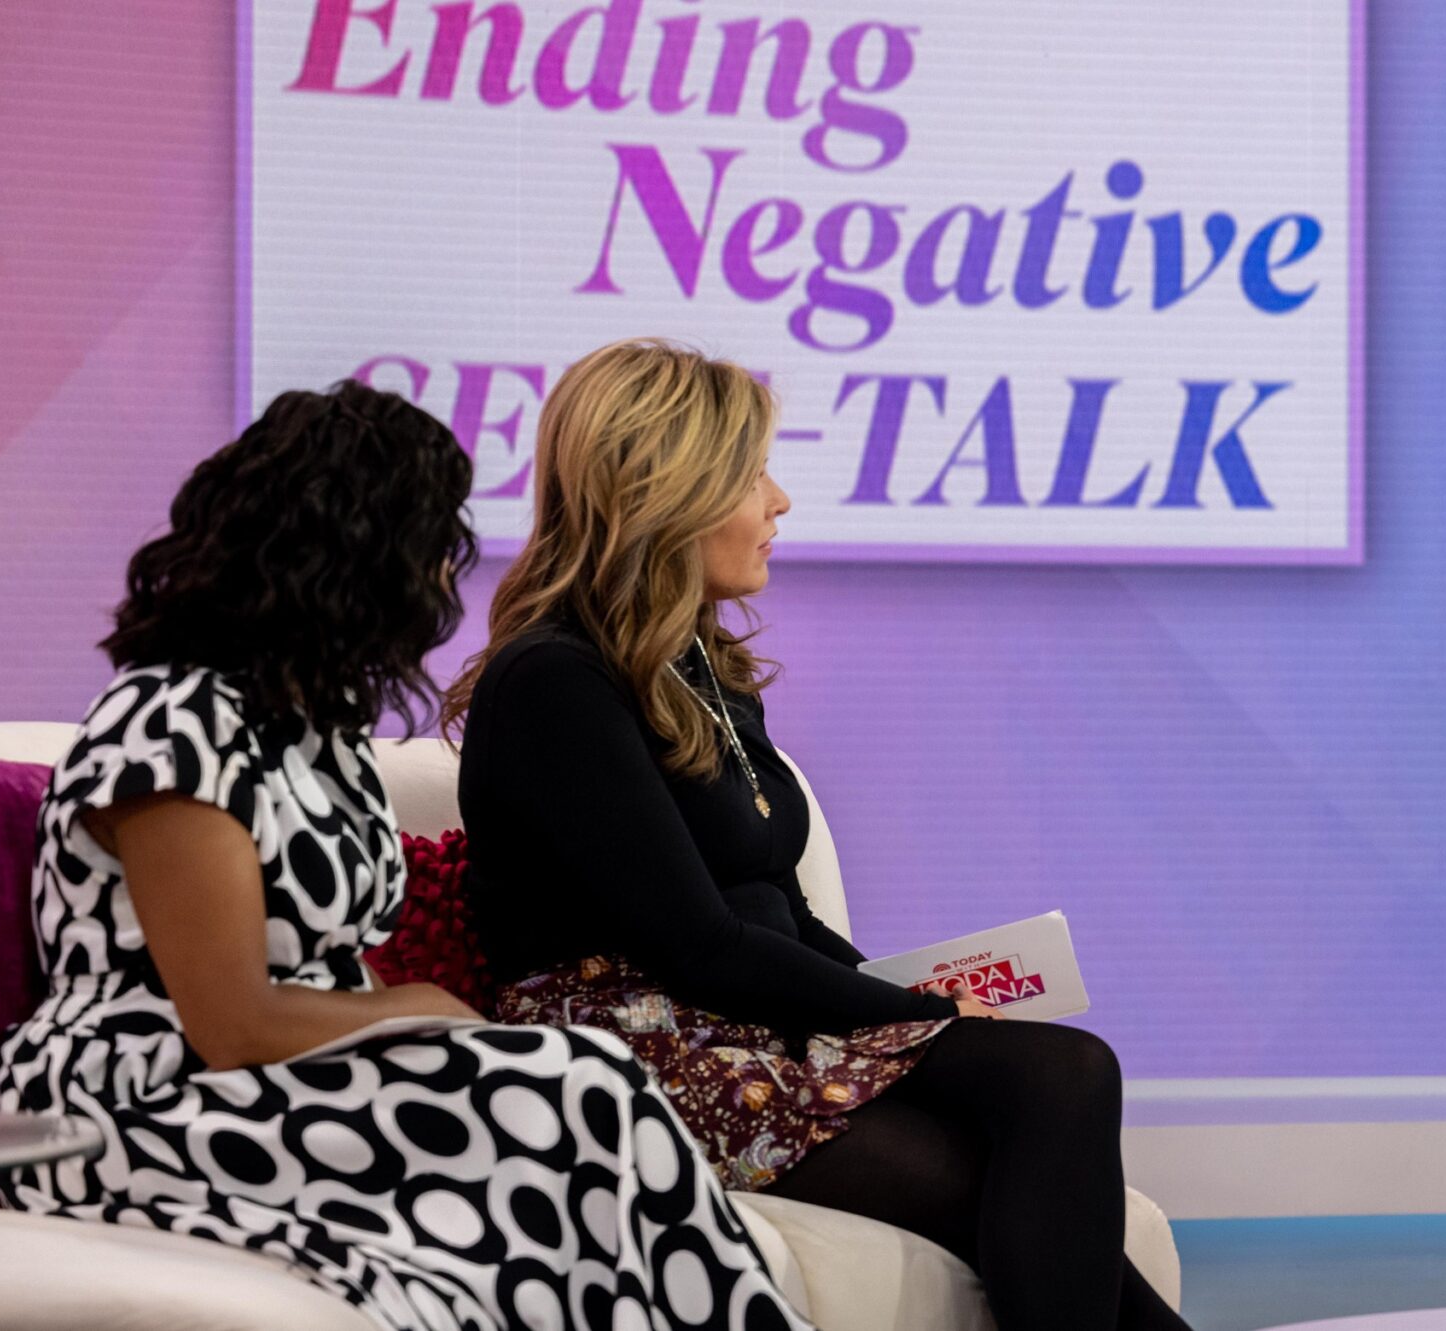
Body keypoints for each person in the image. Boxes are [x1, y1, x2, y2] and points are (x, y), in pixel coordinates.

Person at [0, 383, 806, 1331]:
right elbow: (232, 1022)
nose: (440, 575)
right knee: (579, 1089)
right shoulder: (170, 726)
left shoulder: (311, 732)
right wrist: (417, 1010)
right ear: (340, 554)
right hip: (148, 1097)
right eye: (426, 543)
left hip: (299, 1072)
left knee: (592, 1091)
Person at [448, 339, 1188, 1331]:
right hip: (633, 1052)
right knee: (1063, 1079)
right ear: (672, 489)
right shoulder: (554, 680)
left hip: (736, 1027)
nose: (780, 500)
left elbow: (780, 917)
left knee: (1051, 1146)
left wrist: (914, 1000)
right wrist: (912, 1010)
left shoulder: (701, 662)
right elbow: (697, 944)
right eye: (753, 474)